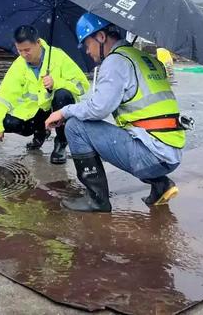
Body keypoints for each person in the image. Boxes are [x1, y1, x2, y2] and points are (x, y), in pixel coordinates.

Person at [45, 13, 185, 212]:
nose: (87, 50)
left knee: (76, 127)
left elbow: (98, 109)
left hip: (151, 155)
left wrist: (64, 111)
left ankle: (97, 199)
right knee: (123, 132)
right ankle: (161, 184)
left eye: (87, 43)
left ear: (101, 37)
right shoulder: (145, 58)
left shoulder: (116, 61)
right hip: (170, 153)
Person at [0, 25, 89, 164]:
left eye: (27, 50)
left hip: (57, 111)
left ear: (38, 43)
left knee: (63, 95)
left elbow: (82, 85)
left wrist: (56, 83)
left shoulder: (58, 57)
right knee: (7, 122)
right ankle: (40, 132)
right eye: (20, 50)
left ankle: (61, 142)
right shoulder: (19, 65)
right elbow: (4, 96)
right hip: (35, 112)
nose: (24, 54)